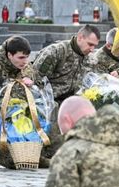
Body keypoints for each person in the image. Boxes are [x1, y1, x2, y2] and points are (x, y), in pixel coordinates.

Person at [0, 36, 46, 168]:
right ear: (9, 55)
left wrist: (33, 84)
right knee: (14, 162)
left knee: (32, 156)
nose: (25, 61)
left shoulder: (27, 69)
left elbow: (42, 90)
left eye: (27, 57)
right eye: (21, 58)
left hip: (24, 122)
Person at [33, 25, 101, 157]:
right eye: (90, 44)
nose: (92, 49)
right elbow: (35, 78)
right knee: (54, 149)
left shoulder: (91, 58)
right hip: (51, 103)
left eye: (95, 46)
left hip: (75, 103)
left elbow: (94, 79)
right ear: (80, 37)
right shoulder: (57, 52)